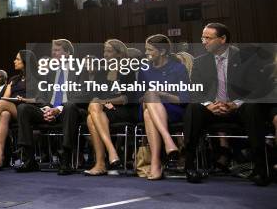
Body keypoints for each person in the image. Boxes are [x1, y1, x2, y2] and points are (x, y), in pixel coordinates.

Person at [184, 23, 271, 186]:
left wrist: (236, 104)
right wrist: (209, 105)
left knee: (253, 108)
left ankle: (260, 169)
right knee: (193, 108)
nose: (203, 41)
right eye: (202, 37)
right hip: (211, 110)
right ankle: (190, 166)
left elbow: (256, 90)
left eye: (208, 38)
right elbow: (194, 90)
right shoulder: (200, 62)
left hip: (239, 110)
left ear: (222, 39)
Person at [16, 39, 83, 175]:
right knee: (23, 108)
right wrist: (46, 108)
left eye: (57, 50)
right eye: (52, 50)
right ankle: (29, 159)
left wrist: (59, 109)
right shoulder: (50, 72)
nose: (53, 53)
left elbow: (82, 95)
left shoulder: (79, 70)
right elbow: (41, 96)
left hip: (68, 111)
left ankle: (65, 160)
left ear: (68, 52)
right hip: (50, 110)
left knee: (69, 107)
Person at [140, 34, 190, 180]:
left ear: (162, 52)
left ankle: (156, 163)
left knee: (149, 114)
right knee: (150, 96)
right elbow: (138, 97)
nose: (146, 53)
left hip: (172, 110)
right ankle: (168, 140)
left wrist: (161, 94)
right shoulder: (144, 70)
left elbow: (184, 99)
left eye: (150, 50)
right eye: (146, 49)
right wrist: (153, 95)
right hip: (145, 105)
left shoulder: (178, 68)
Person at [84, 39, 137, 176]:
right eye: (104, 51)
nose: (105, 54)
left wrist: (104, 101)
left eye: (109, 51)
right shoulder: (101, 72)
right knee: (91, 115)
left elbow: (126, 98)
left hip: (124, 110)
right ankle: (109, 154)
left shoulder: (127, 71)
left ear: (119, 54)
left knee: (92, 113)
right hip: (104, 110)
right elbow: (95, 96)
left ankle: (103, 161)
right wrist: (101, 101)